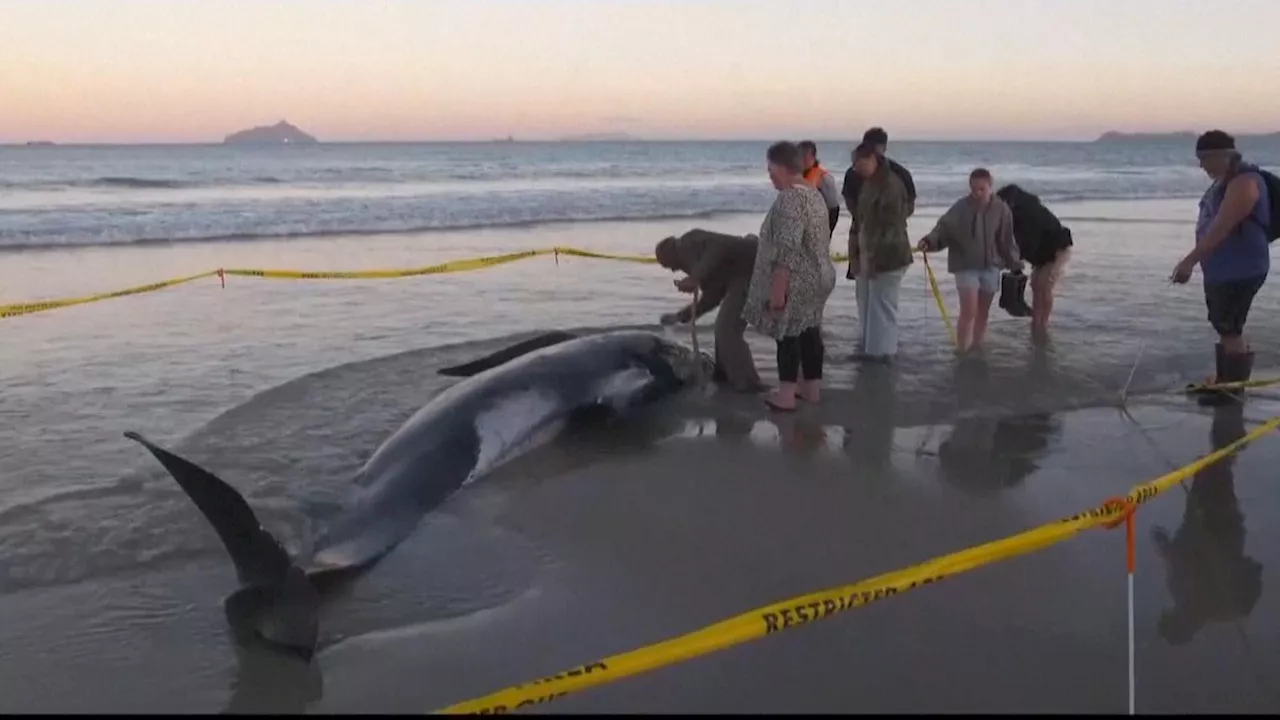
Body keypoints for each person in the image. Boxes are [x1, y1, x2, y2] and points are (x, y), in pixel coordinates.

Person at [1173, 130, 1271, 405]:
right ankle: (1224, 383)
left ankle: (1232, 392)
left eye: (1204, 159)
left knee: (1230, 328)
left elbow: (1221, 228)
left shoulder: (1244, 182)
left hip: (1240, 269)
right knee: (1226, 326)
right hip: (1224, 269)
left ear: (1222, 155)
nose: (1201, 165)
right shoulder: (1224, 182)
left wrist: (1189, 261)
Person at [742, 141, 837, 412]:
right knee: (809, 332)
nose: (769, 175)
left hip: (798, 280)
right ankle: (811, 389)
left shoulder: (790, 198)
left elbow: (788, 247)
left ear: (782, 167)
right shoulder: (813, 194)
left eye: (771, 169)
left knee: (787, 334)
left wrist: (778, 290)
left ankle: (785, 395)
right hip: (820, 275)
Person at [918, 168, 1023, 355]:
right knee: (969, 311)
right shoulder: (961, 207)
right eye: (973, 189)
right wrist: (929, 241)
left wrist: (1015, 264)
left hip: (991, 266)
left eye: (982, 189)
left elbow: (1006, 240)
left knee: (983, 312)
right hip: (965, 265)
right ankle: (961, 349)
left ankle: (977, 347)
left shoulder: (1001, 209)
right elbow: (943, 228)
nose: (977, 193)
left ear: (990, 185)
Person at [655, 229, 764, 393]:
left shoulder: (690, 240)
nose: (672, 270)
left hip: (754, 267)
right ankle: (725, 376)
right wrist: (680, 316)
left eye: (668, 265)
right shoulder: (694, 263)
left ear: (670, 253)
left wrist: (695, 277)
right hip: (741, 277)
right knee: (722, 328)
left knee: (727, 329)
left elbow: (719, 245)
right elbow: (712, 298)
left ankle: (748, 384)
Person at [848, 142, 914, 363]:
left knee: (882, 309)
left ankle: (882, 356)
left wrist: (870, 259)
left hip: (890, 256)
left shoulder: (890, 186)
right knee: (871, 306)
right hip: (871, 253)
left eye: (858, 165)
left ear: (872, 159)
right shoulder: (870, 183)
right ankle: (872, 351)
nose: (855, 170)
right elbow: (862, 222)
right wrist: (858, 257)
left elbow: (889, 228)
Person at [995, 183, 1075, 343]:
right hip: (1040, 254)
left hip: (1058, 249)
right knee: (1036, 285)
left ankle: (1042, 322)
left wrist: (1012, 263)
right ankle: (1036, 320)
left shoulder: (1030, 214)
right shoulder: (1015, 214)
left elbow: (1026, 243)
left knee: (1044, 285)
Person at [841, 127, 917, 279]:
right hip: (861, 238)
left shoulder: (896, 175)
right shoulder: (854, 173)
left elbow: (907, 207)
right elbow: (850, 202)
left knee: (880, 296)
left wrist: (874, 218)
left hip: (887, 244)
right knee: (865, 296)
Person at [799, 140, 842, 237]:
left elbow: (834, 208)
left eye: (805, 156)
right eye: (799, 156)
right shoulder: (798, 176)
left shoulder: (824, 178)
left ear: (813, 157)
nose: (802, 160)